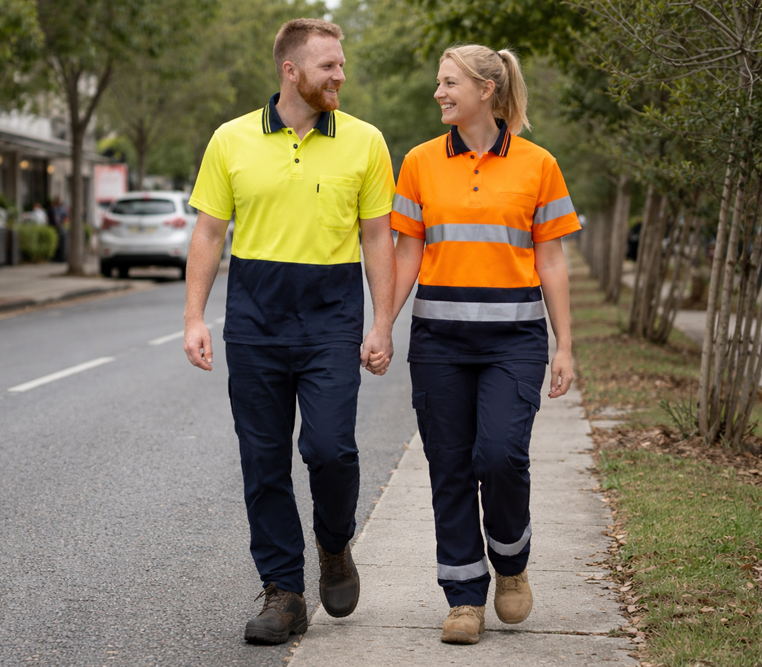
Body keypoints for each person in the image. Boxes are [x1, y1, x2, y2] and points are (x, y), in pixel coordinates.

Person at [183, 18, 396, 646]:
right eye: (328, 65)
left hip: (331, 321)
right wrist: (194, 317)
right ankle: (283, 592)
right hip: (255, 324)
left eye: (341, 64)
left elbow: (377, 237)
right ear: (290, 70)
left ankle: (334, 544)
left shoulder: (365, 141)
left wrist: (383, 323)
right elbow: (209, 232)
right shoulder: (230, 139)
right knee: (264, 460)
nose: (340, 75)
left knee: (331, 450)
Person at [389, 45, 580, 645]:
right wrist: (380, 325)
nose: (439, 93)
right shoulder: (419, 162)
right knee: (449, 468)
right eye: (439, 82)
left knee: (500, 457)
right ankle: (464, 599)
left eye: (449, 83)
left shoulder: (538, 164)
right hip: (438, 342)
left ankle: (512, 560)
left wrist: (565, 345)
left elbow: (551, 259)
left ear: (486, 90)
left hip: (513, 341)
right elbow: (407, 253)